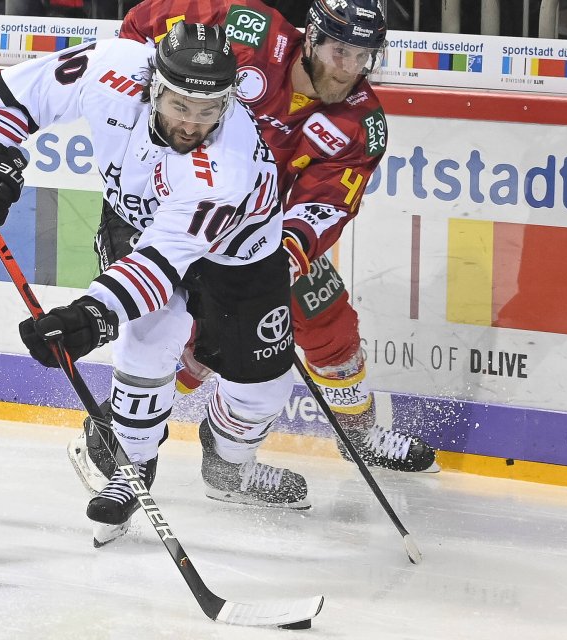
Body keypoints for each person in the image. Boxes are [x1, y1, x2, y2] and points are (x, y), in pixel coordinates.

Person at [0, 22, 312, 545]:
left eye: (208, 110)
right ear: (154, 85)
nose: (192, 123)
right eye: (181, 104)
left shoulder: (225, 168)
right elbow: (10, 97)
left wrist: (88, 317)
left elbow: (161, 268)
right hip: (135, 221)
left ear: (228, 102)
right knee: (146, 342)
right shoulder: (113, 66)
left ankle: (230, 467)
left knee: (263, 388)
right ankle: (132, 466)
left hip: (240, 253)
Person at [67, 0, 437, 492]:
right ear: (312, 37)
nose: (349, 67)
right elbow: (145, 22)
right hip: (174, 212)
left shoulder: (360, 124)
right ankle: (114, 428)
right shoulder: (250, 28)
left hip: (258, 237)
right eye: (340, 50)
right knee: (181, 335)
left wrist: (276, 261)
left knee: (328, 318)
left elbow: (326, 204)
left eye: (362, 55)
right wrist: (145, 105)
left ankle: (355, 434)